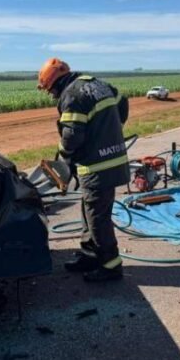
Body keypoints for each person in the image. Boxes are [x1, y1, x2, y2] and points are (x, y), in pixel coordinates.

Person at [37, 58, 130, 282]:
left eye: (51, 91)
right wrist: (108, 132)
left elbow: (71, 137)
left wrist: (63, 160)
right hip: (111, 159)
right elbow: (123, 104)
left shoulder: (71, 95)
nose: (53, 96)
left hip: (98, 166)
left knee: (97, 218)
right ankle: (90, 255)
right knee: (89, 211)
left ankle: (110, 267)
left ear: (57, 84)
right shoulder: (98, 85)